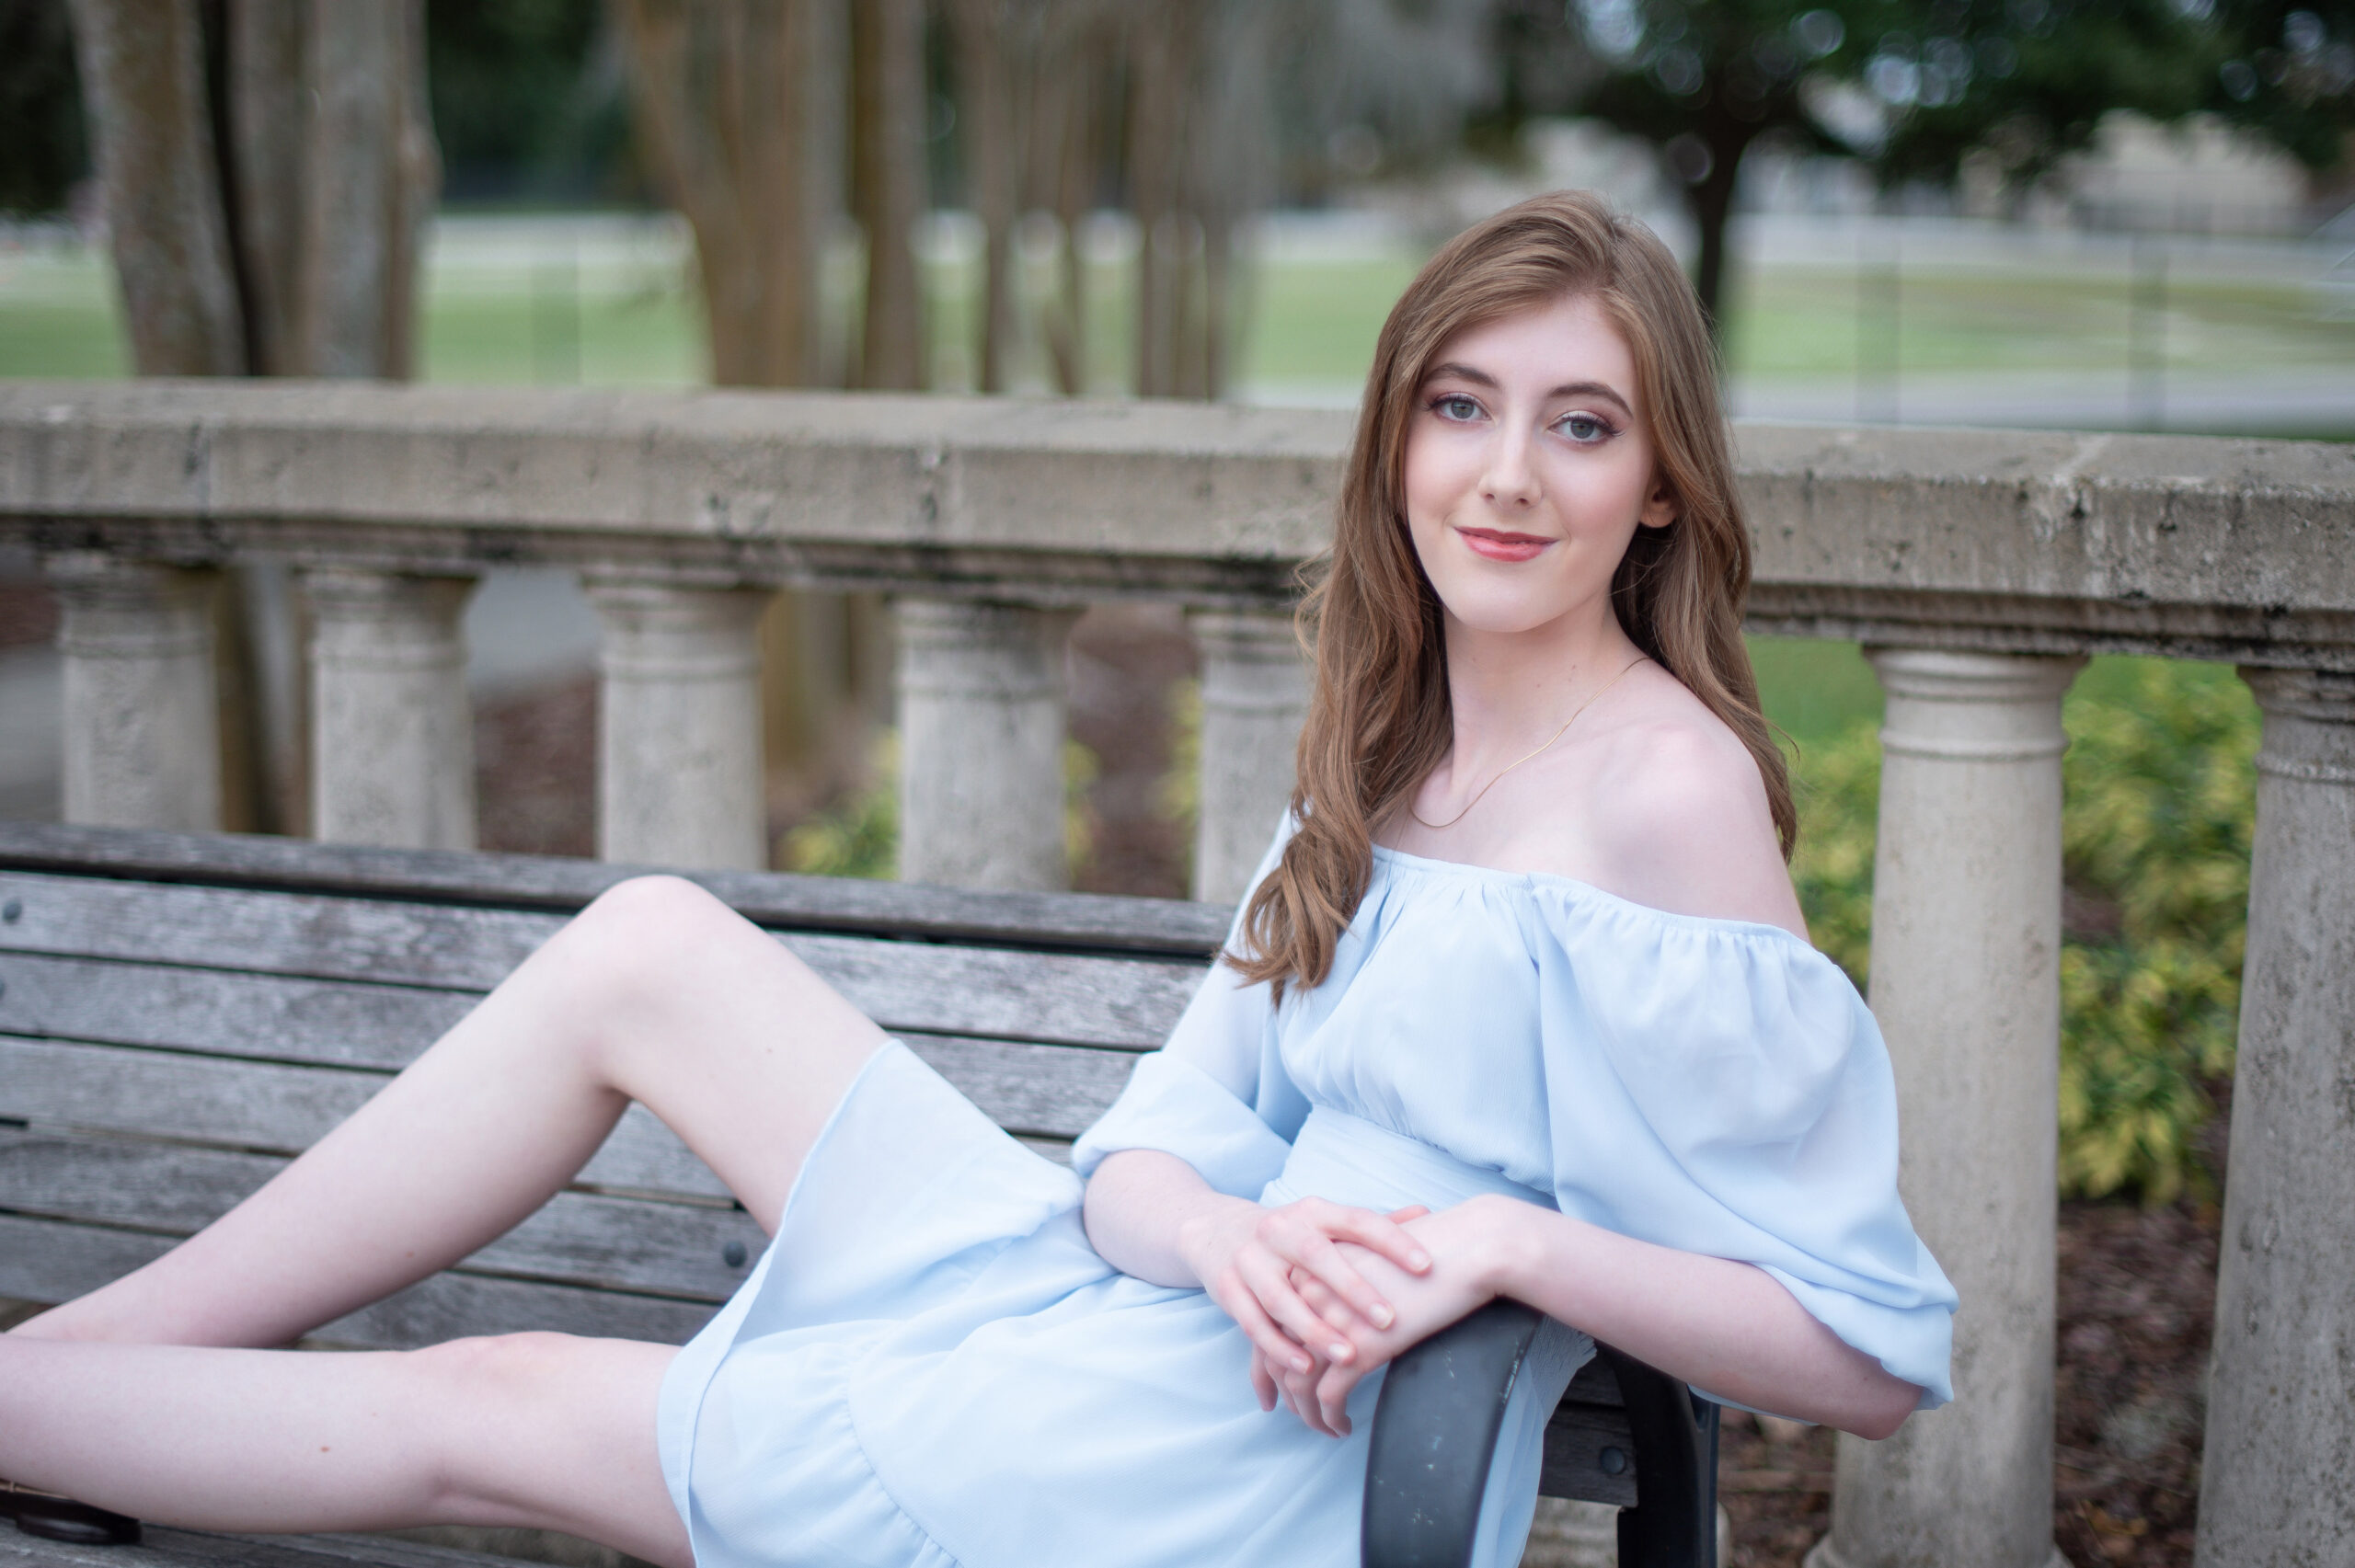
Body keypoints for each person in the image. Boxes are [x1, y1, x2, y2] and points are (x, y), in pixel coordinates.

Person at [0, 190, 1954, 1568]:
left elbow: (1858, 1353)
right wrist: (1220, 1236)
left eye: (1578, 424)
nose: (1504, 475)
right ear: (1393, 444)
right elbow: (1138, 1160)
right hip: (1152, 1300)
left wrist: (1505, 1250)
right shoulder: (1378, 747)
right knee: (650, 945)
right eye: (1459, 405)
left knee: (488, 1402)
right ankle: (74, 1372)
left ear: (1661, 483)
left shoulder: (1662, 792)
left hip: (1230, 1458)